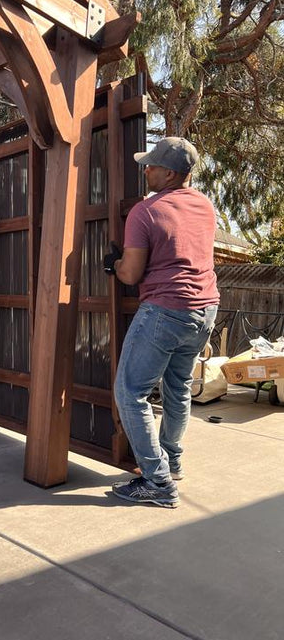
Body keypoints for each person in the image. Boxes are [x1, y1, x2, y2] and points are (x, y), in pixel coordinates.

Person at [103, 137, 220, 508]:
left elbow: (132, 273)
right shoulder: (205, 206)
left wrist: (114, 265)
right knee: (178, 387)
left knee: (129, 392)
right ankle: (172, 461)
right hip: (205, 309)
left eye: (151, 165)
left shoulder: (146, 211)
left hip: (165, 309)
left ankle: (157, 482)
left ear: (170, 173)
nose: (146, 169)